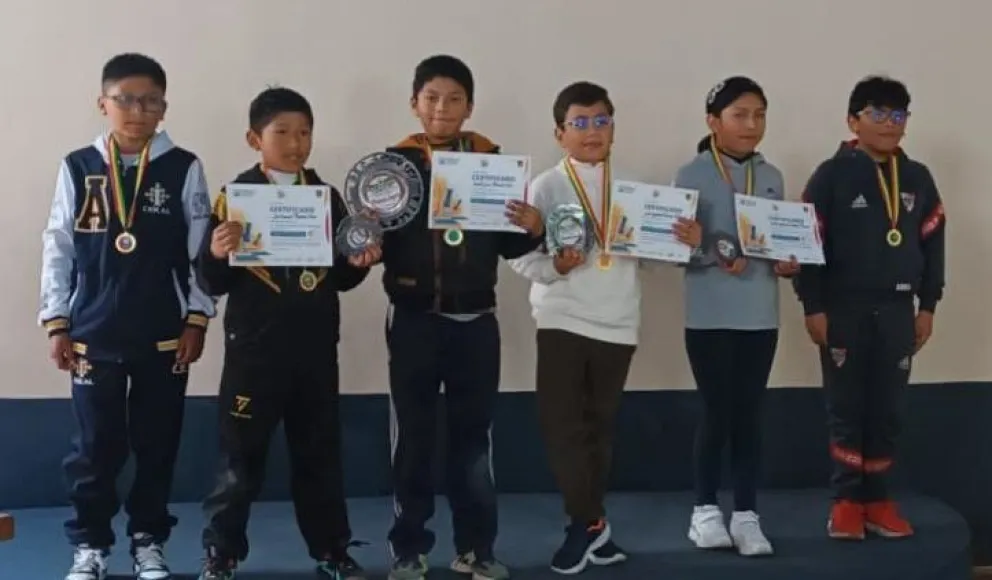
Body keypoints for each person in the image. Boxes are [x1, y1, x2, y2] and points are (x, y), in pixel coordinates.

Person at [508, 81, 701, 574]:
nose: (592, 132)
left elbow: (657, 260)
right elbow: (521, 259)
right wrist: (559, 268)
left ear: (613, 127)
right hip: (561, 318)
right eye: (580, 123)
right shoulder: (545, 187)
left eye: (601, 121)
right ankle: (587, 523)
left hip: (618, 323)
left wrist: (686, 242)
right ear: (560, 133)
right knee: (561, 426)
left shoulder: (635, 187)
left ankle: (592, 525)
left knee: (599, 429)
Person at [38, 52, 215, 580]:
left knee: (157, 444)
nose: (137, 111)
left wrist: (197, 318)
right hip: (93, 333)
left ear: (164, 108)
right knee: (94, 449)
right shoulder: (78, 166)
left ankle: (147, 542)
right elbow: (59, 246)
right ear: (103, 103)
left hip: (163, 335)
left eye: (150, 101)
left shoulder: (184, 166)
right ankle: (91, 545)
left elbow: (200, 251)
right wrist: (57, 320)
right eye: (125, 100)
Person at [194, 87, 379, 580]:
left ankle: (332, 551)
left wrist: (360, 262)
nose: (296, 143)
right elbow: (211, 281)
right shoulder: (234, 197)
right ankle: (221, 552)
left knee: (319, 457)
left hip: (315, 353)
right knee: (238, 461)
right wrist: (215, 251)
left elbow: (341, 275)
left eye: (304, 133)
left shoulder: (327, 197)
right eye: (282, 132)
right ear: (255, 138)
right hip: (253, 354)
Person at [379, 54, 545, 580]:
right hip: (413, 318)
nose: (442, 108)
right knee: (413, 439)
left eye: (454, 99)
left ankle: (477, 547)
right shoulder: (392, 166)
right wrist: (363, 235)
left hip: (476, 320)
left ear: (469, 106)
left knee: (474, 442)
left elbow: (509, 242)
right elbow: (373, 238)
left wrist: (534, 226)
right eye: (431, 98)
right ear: (414, 104)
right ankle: (409, 547)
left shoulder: (493, 163)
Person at [794, 75, 946, 540]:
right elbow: (808, 243)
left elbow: (934, 243)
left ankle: (878, 499)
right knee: (846, 408)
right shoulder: (831, 175)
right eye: (877, 114)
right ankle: (845, 502)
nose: (889, 125)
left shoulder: (918, 177)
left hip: (899, 310)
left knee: (888, 409)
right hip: (843, 310)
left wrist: (929, 305)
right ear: (853, 120)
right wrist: (813, 305)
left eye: (898, 116)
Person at [674, 77, 798, 557]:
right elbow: (673, 251)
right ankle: (704, 510)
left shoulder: (772, 176)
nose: (752, 125)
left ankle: (746, 513)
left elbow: (779, 242)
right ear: (713, 122)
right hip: (708, 314)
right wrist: (707, 250)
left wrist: (789, 261)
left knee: (749, 415)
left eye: (759, 114)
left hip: (760, 313)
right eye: (740, 115)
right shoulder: (690, 175)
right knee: (716, 411)